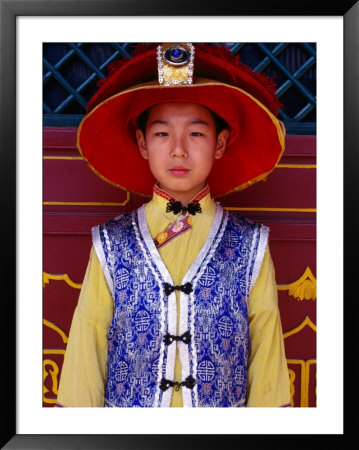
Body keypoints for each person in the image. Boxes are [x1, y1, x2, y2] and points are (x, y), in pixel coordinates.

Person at [56, 43, 291, 408]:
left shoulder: (250, 245)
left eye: (196, 133)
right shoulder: (110, 244)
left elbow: (266, 354)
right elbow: (88, 346)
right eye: (162, 134)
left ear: (221, 142)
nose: (179, 149)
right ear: (142, 142)